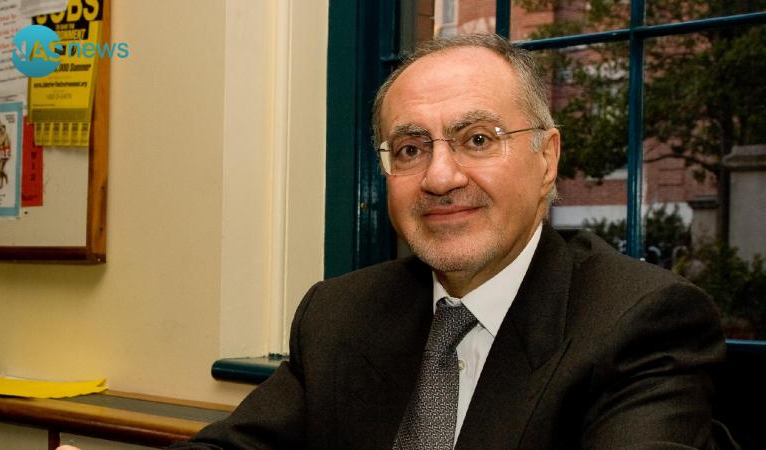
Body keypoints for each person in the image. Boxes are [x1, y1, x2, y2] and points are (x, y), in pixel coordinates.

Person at [60, 33, 729, 450]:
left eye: (477, 139)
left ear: (547, 158)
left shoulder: (641, 323)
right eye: (410, 149)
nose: (439, 176)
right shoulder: (340, 314)